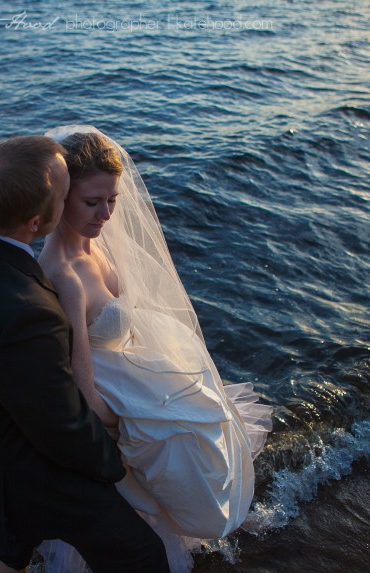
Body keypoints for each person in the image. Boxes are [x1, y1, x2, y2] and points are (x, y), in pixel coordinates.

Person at [37, 126, 273, 572]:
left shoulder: (96, 248)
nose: (107, 214)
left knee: (209, 434)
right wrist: (140, 425)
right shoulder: (63, 276)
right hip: (120, 413)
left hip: (138, 385)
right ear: (60, 196)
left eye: (113, 199)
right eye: (93, 202)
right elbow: (81, 388)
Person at [0, 135, 170, 573]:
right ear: (36, 221)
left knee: (13, 542)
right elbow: (62, 423)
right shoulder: (27, 310)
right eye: (65, 198)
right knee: (142, 554)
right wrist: (119, 468)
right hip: (25, 474)